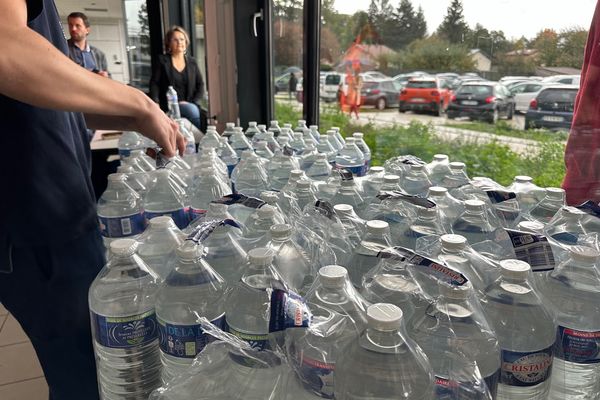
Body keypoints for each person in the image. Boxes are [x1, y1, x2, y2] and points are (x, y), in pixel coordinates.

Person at [0, 1, 184, 399]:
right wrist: (139, 102)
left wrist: (130, 118)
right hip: (37, 218)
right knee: (90, 377)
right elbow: (6, 51)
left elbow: (47, 102)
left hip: (52, 212)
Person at [149, 25, 205, 130]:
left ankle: (195, 140)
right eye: (175, 40)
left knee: (192, 110)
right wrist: (155, 102)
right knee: (192, 111)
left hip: (189, 104)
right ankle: (198, 141)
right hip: (168, 105)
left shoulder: (192, 62)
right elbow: (154, 83)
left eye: (182, 39)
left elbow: (200, 84)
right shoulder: (162, 61)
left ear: (186, 42)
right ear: (169, 43)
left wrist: (192, 102)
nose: (179, 42)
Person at [66, 11, 110, 78]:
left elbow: (109, 77)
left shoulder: (99, 54)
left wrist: (105, 76)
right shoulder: (62, 49)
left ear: (87, 30)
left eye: (78, 26)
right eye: (70, 25)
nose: (73, 29)